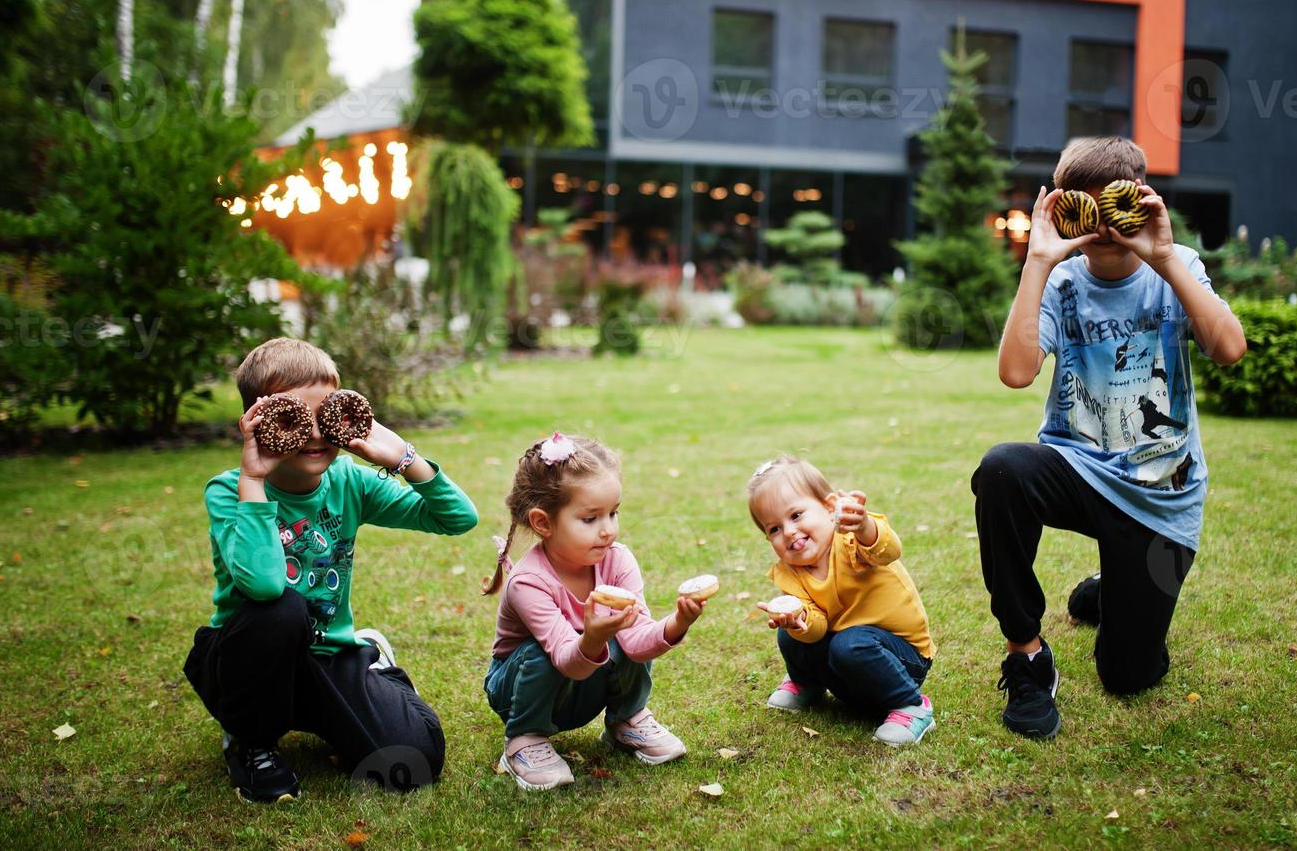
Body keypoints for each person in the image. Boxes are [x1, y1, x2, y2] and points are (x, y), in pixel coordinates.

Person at [973, 136, 1246, 739]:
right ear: (1066, 208)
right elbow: (1016, 373)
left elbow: (1228, 349)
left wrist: (1167, 256)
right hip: (1079, 470)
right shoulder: (1062, 279)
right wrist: (1038, 261)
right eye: (1084, 210)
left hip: (1160, 494)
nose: (1101, 227)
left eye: (1113, 208)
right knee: (1003, 469)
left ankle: (1109, 592)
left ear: (1140, 203)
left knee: (1128, 675)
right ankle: (1027, 656)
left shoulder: (1175, 269)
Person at [183, 338, 479, 801]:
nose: (316, 433)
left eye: (327, 416)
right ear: (255, 422)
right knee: (281, 607)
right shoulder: (229, 492)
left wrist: (403, 456)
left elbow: (458, 518)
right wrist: (254, 481)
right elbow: (262, 587)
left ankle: (372, 666)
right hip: (250, 660)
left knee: (414, 761)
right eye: (293, 417)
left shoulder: (349, 482)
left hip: (328, 656)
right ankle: (251, 741)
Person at [484, 433, 704, 791]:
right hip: (523, 688)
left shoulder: (618, 559)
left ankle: (626, 719)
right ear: (543, 523)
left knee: (626, 626)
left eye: (613, 513)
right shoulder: (528, 582)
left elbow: (635, 642)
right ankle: (524, 739)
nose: (608, 530)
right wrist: (594, 636)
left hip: (583, 683)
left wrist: (679, 621)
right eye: (590, 519)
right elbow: (563, 658)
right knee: (542, 650)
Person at [748, 455, 936, 747]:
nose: (788, 532)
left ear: (828, 507)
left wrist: (863, 527)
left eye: (796, 515)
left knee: (851, 643)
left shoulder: (851, 541)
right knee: (791, 633)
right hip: (846, 657)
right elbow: (818, 626)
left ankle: (911, 705)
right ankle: (807, 684)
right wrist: (800, 622)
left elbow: (888, 550)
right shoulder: (790, 573)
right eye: (773, 528)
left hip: (901, 656)